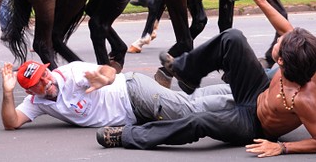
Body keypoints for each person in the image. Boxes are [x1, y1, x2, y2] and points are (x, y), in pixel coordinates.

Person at [96, 29, 316, 156]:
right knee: (233, 38)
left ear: (281, 60)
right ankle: (187, 72)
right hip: (256, 92)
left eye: (280, 41)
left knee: (199, 121)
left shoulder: (303, 98)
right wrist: (261, 0)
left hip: (253, 124)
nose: (278, 37)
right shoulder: (300, 56)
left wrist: (282, 147)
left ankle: (128, 136)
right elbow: (286, 26)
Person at [1, 60, 235, 130]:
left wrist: (107, 76)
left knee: (189, 111)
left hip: (133, 94)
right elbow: (11, 122)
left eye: (45, 74)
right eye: (38, 82)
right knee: (190, 102)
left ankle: (246, 98)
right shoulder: (37, 102)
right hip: (135, 107)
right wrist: (7, 93)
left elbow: (106, 71)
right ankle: (239, 89)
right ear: (30, 91)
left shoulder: (71, 75)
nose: (46, 80)